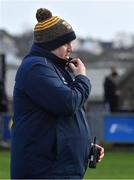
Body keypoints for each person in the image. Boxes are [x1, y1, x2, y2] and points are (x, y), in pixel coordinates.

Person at [11, 8, 104, 179]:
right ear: (50, 44)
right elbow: (67, 104)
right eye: (65, 43)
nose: (70, 48)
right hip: (43, 171)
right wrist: (82, 78)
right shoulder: (36, 68)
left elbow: (60, 121)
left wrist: (85, 147)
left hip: (59, 169)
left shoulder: (58, 68)